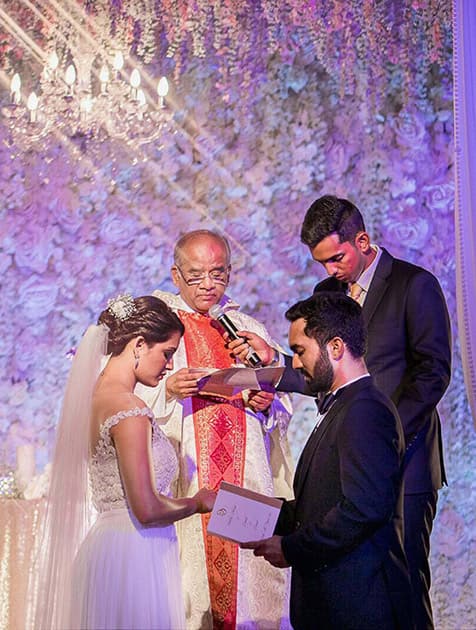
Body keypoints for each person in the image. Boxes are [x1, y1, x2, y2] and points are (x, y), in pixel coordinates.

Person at [232, 195, 451, 630]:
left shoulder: (414, 284)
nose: (330, 271)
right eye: (321, 263)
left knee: (403, 583)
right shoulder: (326, 294)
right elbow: (321, 371)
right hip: (348, 463)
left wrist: (386, 434)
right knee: (351, 585)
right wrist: (273, 362)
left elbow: (433, 373)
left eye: (336, 258)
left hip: (406, 461)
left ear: (363, 240)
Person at [137, 230, 294, 629]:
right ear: (176, 275)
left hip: (246, 474)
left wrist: (267, 402)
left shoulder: (244, 326)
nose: (208, 284)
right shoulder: (157, 324)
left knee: (254, 591)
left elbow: (281, 397)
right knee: (191, 589)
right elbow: (123, 391)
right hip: (190, 476)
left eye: (218, 274)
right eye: (196, 276)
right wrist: (167, 389)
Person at [36, 294, 216, 630]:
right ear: (138, 344)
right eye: (167, 353)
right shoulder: (128, 408)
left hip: (107, 548)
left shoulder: (94, 399)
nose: (170, 366)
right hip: (134, 555)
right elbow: (146, 509)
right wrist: (197, 502)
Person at [242, 292, 413, 630]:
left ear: (335, 347)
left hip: (357, 605)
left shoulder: (365, 410)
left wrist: (291, 549)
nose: (295, 363)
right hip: (332, 604)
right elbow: (317, 505)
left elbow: (362, 509)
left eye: (299, 351)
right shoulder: (343, 404)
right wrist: (241, 509)